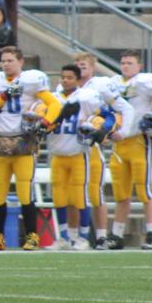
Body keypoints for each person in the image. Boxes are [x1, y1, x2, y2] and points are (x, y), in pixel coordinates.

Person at [0, 46, 61, 250]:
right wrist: (4, 95)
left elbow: (55, 105)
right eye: (3, 61)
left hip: (24, 141)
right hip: (0, 142)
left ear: (21, 62)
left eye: (10, 60)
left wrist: (45, 122)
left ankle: (32, 236)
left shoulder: (31, 81)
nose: (6, 64)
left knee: (25, 191)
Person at [108, 50, 152, 250]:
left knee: (145, 190)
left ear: (139, 66)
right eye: (123, 62)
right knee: (121, 194)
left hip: (140, 141)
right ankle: (117, 235)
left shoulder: (145, 82)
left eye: (130, 63)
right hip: (119, 144)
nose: (126, 66)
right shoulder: (113, 83)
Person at [45, 63, 117, 251]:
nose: (65, 80)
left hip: (78, 153)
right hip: (57, 154)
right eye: (63, 77)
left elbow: (109, 116)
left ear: (77, 80)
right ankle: (64, 237)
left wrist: (103, 130)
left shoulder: (87, 97)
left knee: (80, 197)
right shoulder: (52, 98)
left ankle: (83, 238)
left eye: (69, 77)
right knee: (59, 197)